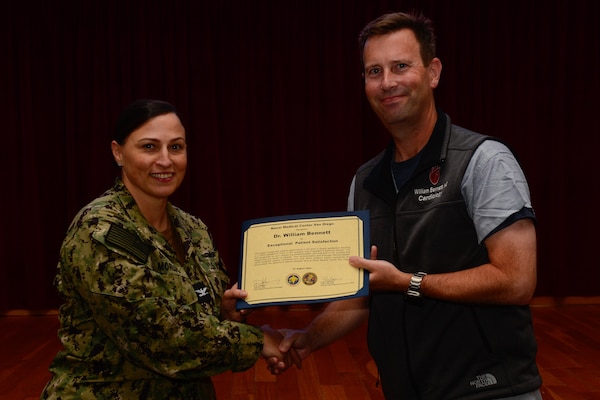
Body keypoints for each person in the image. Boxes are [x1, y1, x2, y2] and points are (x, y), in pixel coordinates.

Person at [270, 12, 543, 400]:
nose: (387, 83)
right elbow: (361, 290)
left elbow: (516, 281)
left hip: (490, 390)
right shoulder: (364, 182)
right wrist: (307, 338)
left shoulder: (484, 160)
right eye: (374, 71)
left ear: (433, 72)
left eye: (401, 66)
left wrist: (408, 282)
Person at [41, 99, 297, 399]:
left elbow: (193, 318)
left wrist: (225, 313)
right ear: (118, 152)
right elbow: (161, 341)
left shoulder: (193, 229)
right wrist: (258, 342)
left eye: (176, 147)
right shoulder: (100, 231)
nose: (165, 160)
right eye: (149, 147)